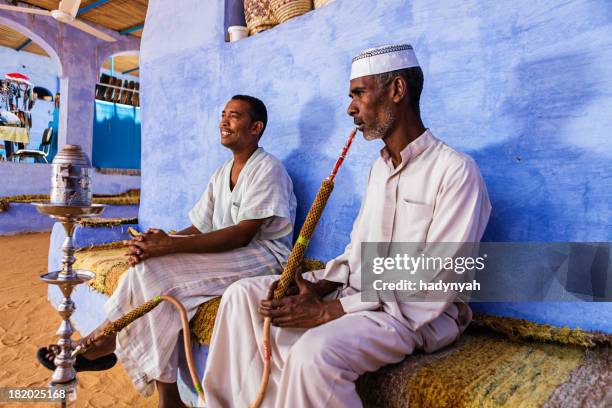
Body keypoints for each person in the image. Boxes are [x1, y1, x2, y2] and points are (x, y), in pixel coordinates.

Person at [202, 44, 492, 407]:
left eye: (359, 93)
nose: (350, 108)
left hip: (411, 312)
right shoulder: (379, 170)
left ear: (397, 90)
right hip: (359, 294)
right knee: (243, 295)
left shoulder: (456, 171)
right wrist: (319, 284)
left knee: (314, 355)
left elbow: (438, 280)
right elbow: (358, 250)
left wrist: (331, 310)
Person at [38, 95, 297, 408]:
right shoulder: (222, 173)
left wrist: (169, 246)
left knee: (159, 276)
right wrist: (160, 240)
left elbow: (243, 235)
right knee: (146, 271)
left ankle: (100, 345)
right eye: (223, 114)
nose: (224, 122)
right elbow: (200, 227)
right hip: (233, 251)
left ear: (256, 127)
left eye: (235, 116)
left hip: (264, 256)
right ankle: (156, 387)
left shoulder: (268, 169)